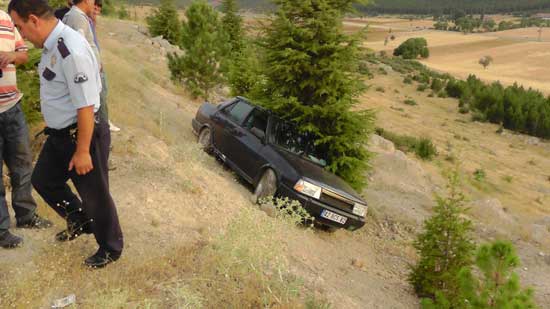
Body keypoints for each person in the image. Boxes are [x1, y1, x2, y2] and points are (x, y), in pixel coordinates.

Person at [8, 0, 123, 267]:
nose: (20, 34)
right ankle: (79, 219)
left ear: (34, 20)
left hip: (82, 134)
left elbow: (85, 105)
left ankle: (111, 247)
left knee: (95, 195)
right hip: (60, 134)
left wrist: (83, 151)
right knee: (44, 180)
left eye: (20, 27)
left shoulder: (70, 49)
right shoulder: (51, 46)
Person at [0, 9, 52, 249]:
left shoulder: (6, 18)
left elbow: (22, 54)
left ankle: (26, 216)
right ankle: (1, 230)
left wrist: (10, 55)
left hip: (12, 105)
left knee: (22, 162)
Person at [63, 0, 120, 133]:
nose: (94, 5)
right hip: (87, 72)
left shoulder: (79, 16)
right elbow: (79, 49)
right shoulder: (77, 18)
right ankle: (100, 131)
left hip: (91, 70)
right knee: (95, 103)